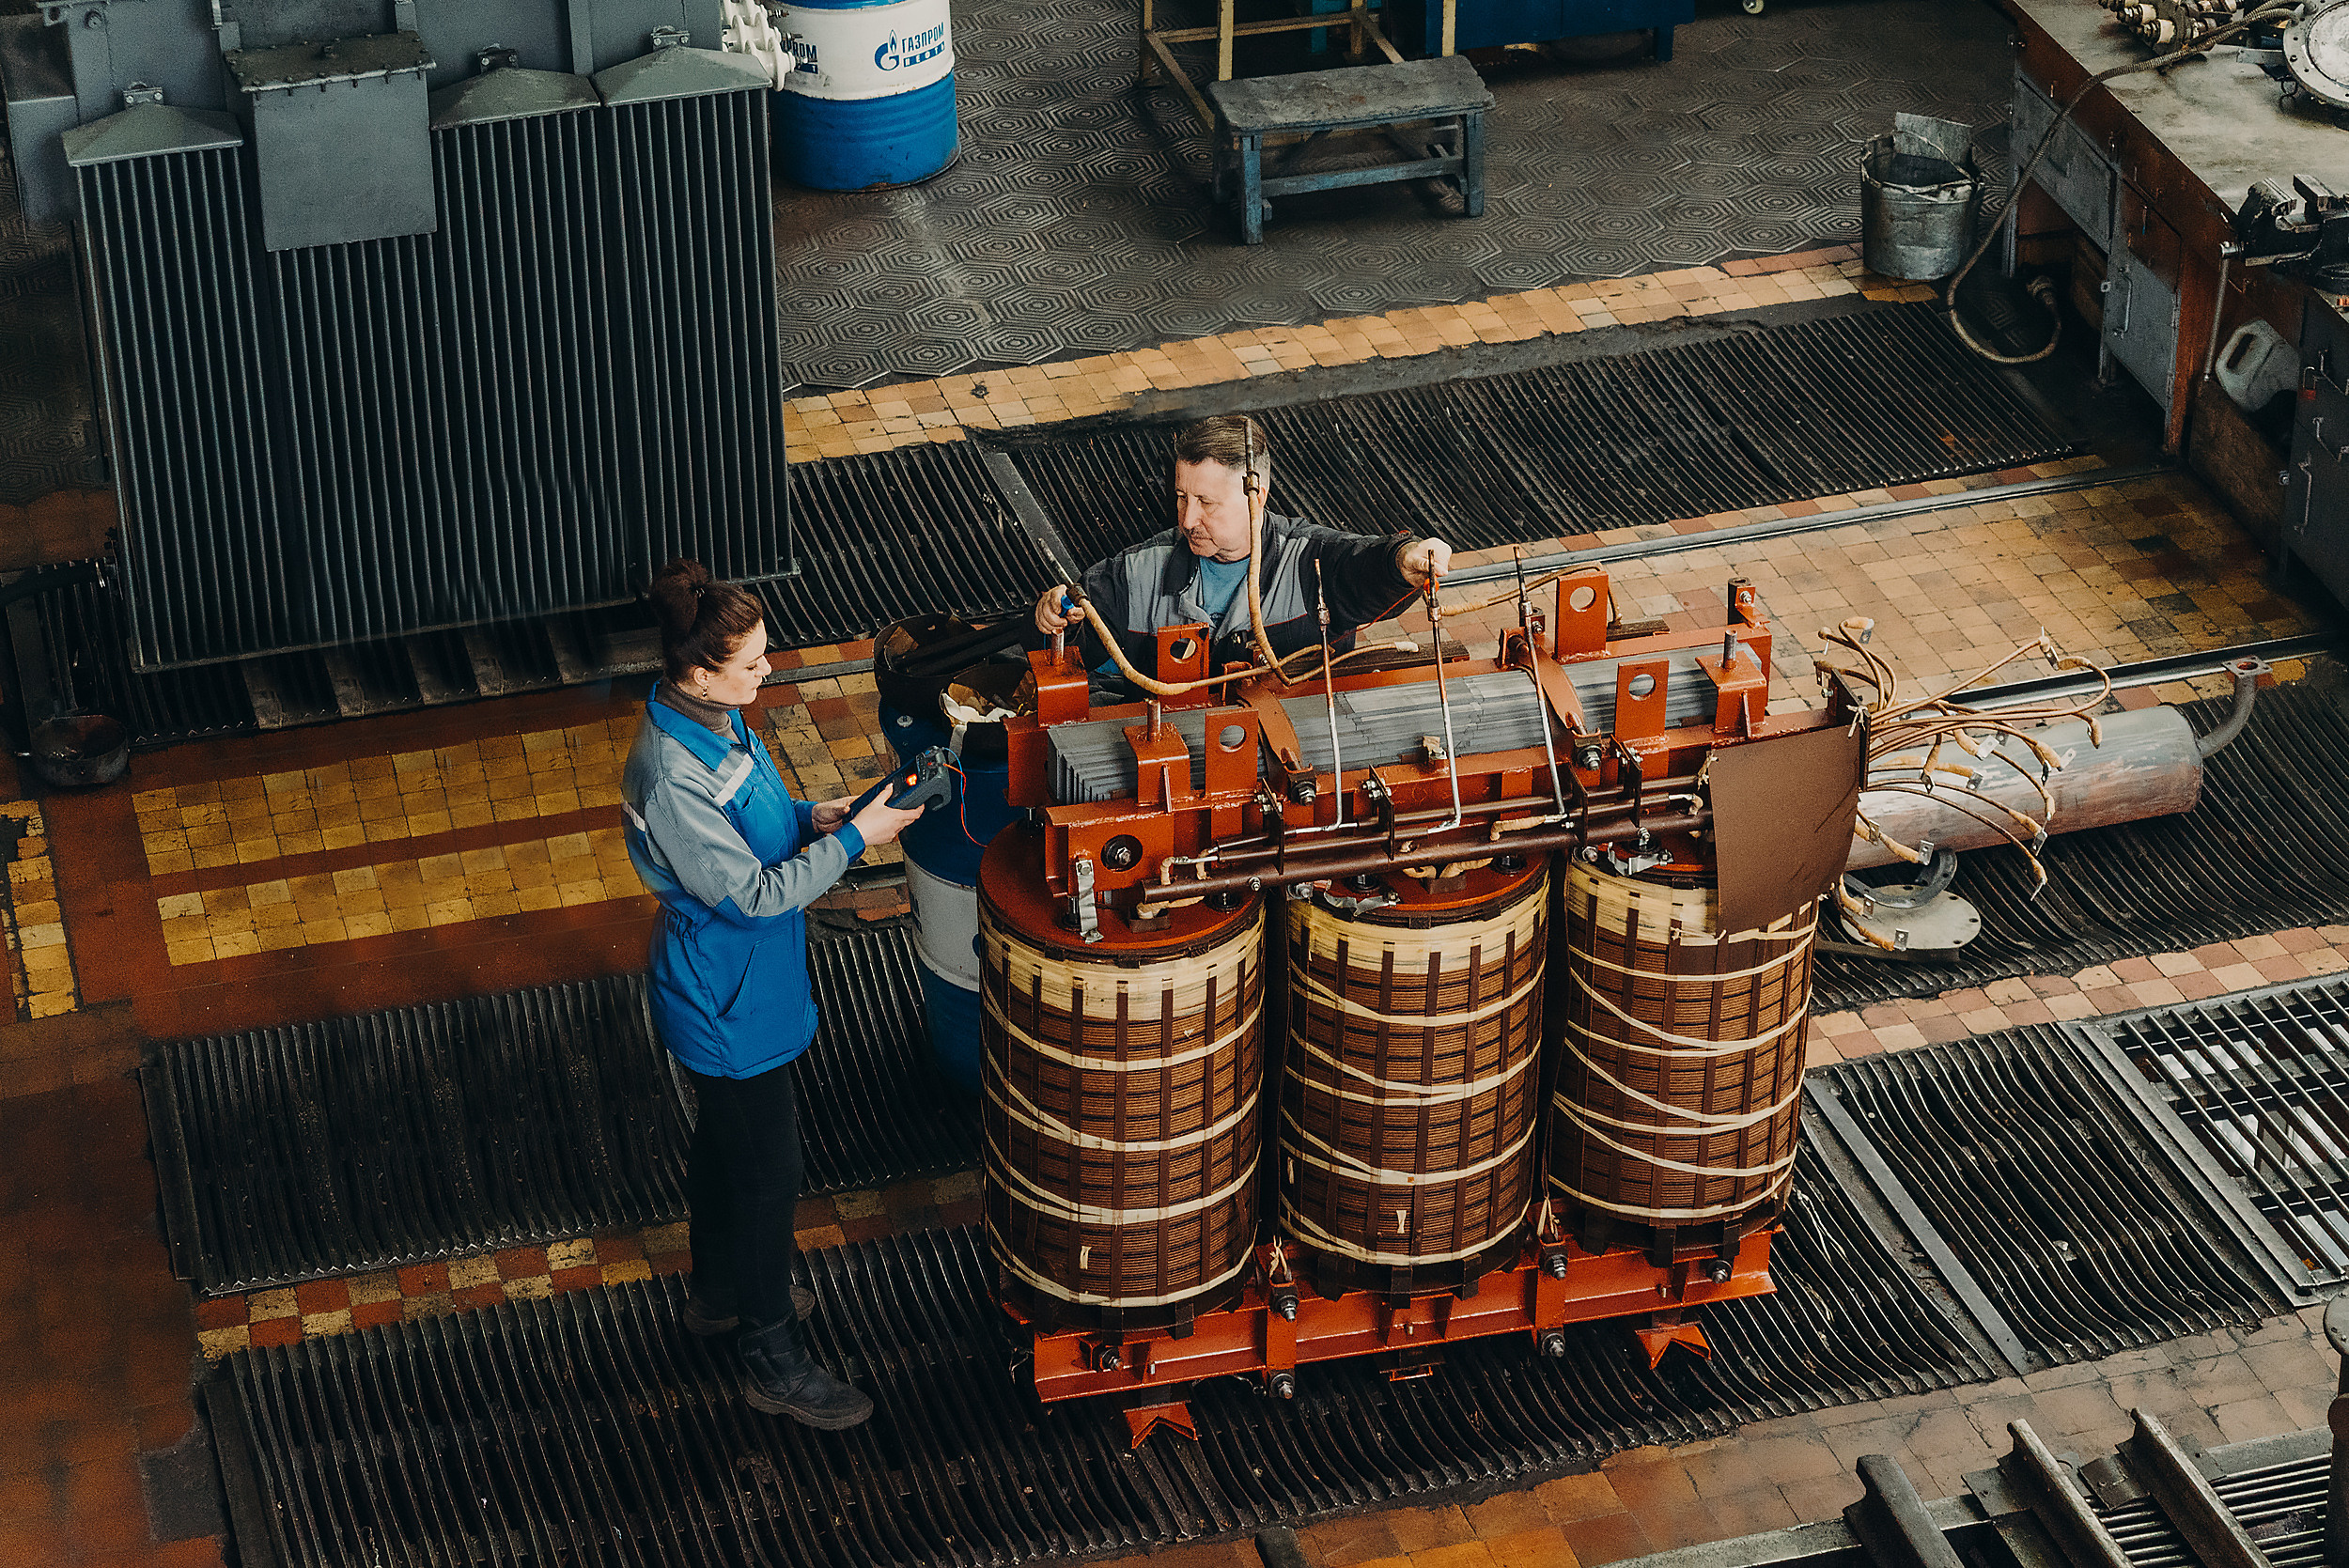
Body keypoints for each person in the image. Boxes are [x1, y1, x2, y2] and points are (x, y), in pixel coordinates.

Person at [622, 559, 925, 1429]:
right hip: (724, 995)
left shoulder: (712, 720)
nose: (769, 671)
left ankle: (719, 1290)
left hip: (748, 984)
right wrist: (861, 840)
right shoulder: (672, 773)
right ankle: (770, 1354)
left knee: (728, 1147)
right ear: (695, 669)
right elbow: (752, 896)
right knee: (768, 1170)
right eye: (750, 662)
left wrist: (818, 816)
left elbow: (755, 816)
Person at [1032, 413, 1454, 693]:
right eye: (1181, 497)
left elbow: (1368, 564)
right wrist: (1051, 618)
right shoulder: (1139, 573)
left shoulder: (1311, 564)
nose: (1187, 519)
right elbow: (1065, 648)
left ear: (1257, 496)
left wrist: (1407, 559)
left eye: (1206, 502)